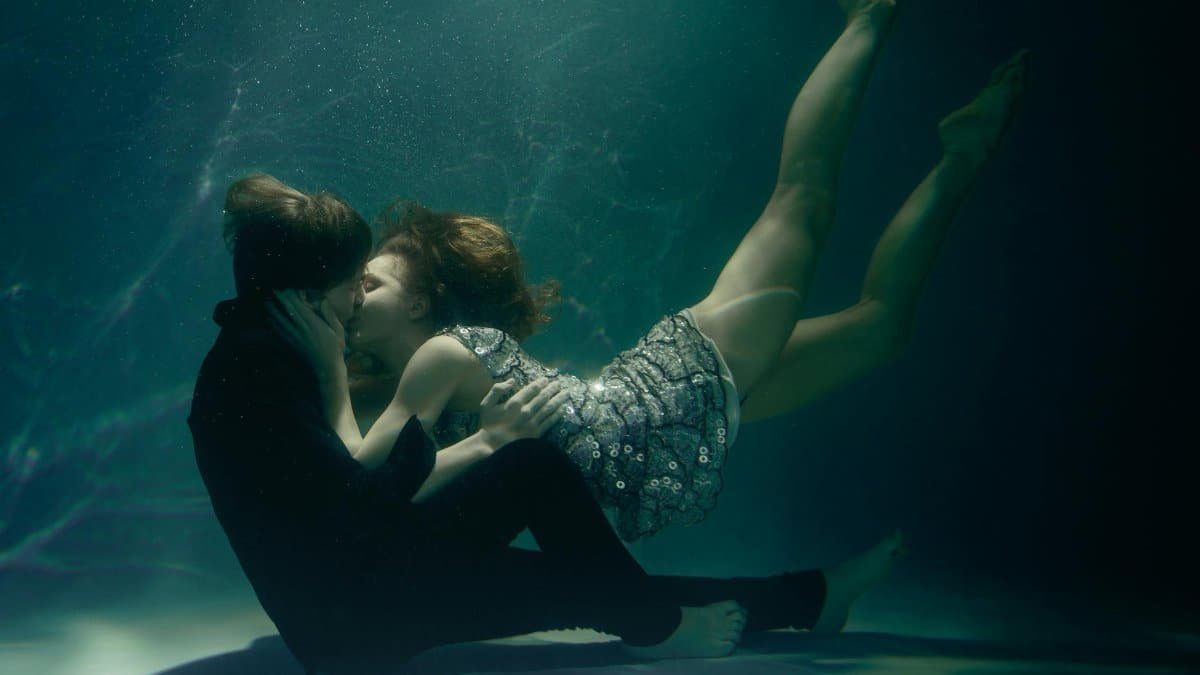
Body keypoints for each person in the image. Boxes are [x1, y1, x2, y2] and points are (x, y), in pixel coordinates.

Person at [274, 0, 1030, 540]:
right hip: (672, 422)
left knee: (801, 199)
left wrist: (328, 368)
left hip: (672, 391)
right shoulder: (429, 387)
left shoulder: (439, 360)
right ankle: (963, 154)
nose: (351, 294)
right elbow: (389, 494)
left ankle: (867, 18)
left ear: (424, 301)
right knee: (883, 327)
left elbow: (363, 481)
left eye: (369, 282)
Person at [191, 172, 904, 673]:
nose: (355, 298)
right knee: (568, 545)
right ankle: (685, 622)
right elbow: (358, 501)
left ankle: (804, 599)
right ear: (308, 289)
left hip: (358, 595)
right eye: (352, 280)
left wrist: (465, 438)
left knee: (582, 570)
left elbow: (348, 501)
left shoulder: (265, 348)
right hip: (357, 624)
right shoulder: (272, 370)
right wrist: (488, 441)